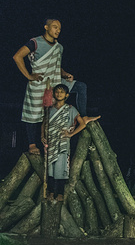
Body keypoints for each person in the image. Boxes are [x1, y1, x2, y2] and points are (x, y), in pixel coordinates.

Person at [13, 19, 88, 155]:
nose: (58, 30)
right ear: (46, 27)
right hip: (39, 83)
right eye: (54, 27)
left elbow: (56, 66)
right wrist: (29, 76)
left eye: (59, 28)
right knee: (33, 114)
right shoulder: (35, 42)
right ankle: (32, 145)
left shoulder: (59, 47)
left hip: (55, 82)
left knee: (81, 87)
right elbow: (17, 57)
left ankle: (84, 117)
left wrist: (65, 74)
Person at [41, 84, 99, 201]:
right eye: (57, 92)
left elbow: (82, 124)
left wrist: (71, 134)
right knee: (50, 168)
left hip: (63, 142)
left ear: (67, 95)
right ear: (54, 94)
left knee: (61, 167)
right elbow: (44, 123)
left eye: (62, 92)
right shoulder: (49, 109)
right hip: (51, 141)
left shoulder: (71, 109)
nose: (59, 94)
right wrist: (42, 136)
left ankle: (60, 193)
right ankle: (51, 192)